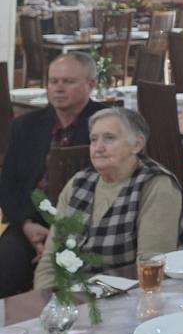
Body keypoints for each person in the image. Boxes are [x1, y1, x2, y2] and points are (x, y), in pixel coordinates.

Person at [19, 108, 182, 334]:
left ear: (137, 144)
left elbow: (151, 270)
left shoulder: (156, 186)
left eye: (109, 138)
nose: (98, 147)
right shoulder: (79, 184)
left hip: (130, 308)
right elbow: (52, 257)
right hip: (72, 303)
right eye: (94, 139)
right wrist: (41, 303)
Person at [0, 52, 105, 298]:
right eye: (53, 81)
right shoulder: (25, 126)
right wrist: (27, 225)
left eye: (68, 82)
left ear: (90, 84)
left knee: (74, 286)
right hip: (32, 221)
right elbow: (8, 184)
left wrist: (60, 236)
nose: (58, 88)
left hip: (87, 226)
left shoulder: (105, 125)